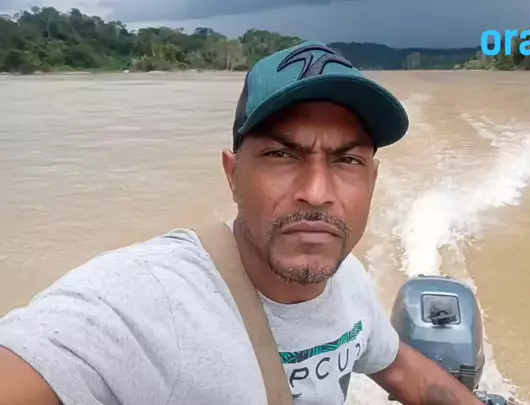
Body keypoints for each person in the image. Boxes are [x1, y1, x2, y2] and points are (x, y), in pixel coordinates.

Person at [0, 40, 487, 405]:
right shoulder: (146, 304)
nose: (317, 192)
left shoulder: (349, 281)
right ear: (233, 175)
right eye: (281, 154)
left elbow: (399, 366)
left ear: (372, 180)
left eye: (347, 161)